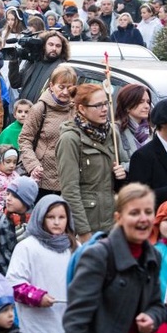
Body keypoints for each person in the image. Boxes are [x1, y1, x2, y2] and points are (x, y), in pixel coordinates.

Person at [61, 183, 166, 333]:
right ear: (119, 218)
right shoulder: (98, 256)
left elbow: (157, 304)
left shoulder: (153, 257)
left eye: (148, 212)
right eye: (134, 213)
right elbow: (76, 321)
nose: (143, 219)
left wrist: (152, 317)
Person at [56, 83, 127, 242]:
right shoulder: (70, 139)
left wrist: (123, 173)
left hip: (112, 223)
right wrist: (83, 231)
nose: (104, 109)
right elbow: (70, 190)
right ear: (81, 109)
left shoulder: (112, 133)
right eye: (97, 105)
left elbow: (127, 165)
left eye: (106, 103)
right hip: (87, 224)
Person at [6, 194, 77, 333]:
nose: (57, 222)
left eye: (61, 217)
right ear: (41, 218)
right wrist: (37, 297)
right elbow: (13, 284)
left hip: (69, 321)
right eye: (51, 217)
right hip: (37, 324)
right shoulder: (27, 247)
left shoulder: (75, 247)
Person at [19, 64, 77, 199]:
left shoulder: (77, 110)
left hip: (69, 179)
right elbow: (25, 139)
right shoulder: (40, 108)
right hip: (43, 179)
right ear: (51, 86)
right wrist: (33, 165)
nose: (65, 92)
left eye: (70, 88)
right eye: (61, 87)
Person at [0, 176, 38, 276]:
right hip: (0, 275)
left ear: (26, 200)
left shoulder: (35, 224)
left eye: (14, 196)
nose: (8, 198)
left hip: (24, 280)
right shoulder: (1, 218)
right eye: (8, 194)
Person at [8, 31, 70, 103]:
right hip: (24, 111)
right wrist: (13, 62)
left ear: (62, 49)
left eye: (58, 46)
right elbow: (15, 83)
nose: (54, 48)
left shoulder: (62, 68)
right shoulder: (33, 61)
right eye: (51, 44)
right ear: (44, 46)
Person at [114, 83, 153, 171]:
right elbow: (112, 166)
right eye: (141, 102)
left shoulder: (151, 131)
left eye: (148, 102)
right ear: (127, 106)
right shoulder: (115, 131)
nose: (147, 106)